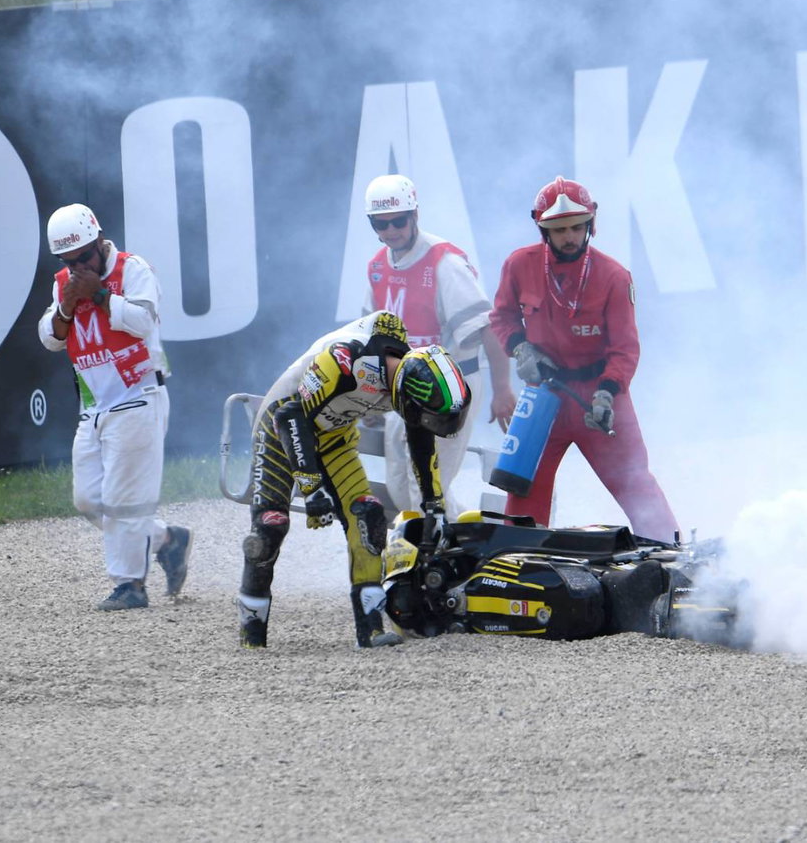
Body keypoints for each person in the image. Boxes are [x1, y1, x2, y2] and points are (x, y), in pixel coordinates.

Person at [236, 310, 470, 649]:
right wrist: (311, 488)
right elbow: (290, 416)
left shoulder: (409, 379)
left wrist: (434, 504)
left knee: (369, 516)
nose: (426, 421)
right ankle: (251, 635)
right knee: (270, 527)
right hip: (281, 428)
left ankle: (370, 631)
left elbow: (420, 443)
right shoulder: (346, 361)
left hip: (334, 435)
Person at [489, 176, 679, 542]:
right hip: (542, 395)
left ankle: (671, 554)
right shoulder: (518, 265)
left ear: (591, 224)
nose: (570, 237)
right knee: (522, 491)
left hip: (600, 396)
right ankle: (516, 563)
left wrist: (607, 393)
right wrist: (520, 348)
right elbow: (502, 317)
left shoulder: (614, 276)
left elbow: (625, 349)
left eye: (577, 227)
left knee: (635, 484)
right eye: (560, 229)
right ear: (543, 230)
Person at [37, 203, 192, 611]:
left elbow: (144, 322)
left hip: (139, 395)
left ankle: (130, 585)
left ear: (99, 242)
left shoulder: (133, 269)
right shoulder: (64, 284)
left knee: (124, 499)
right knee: (88, 500)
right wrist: (67, 305)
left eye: (83, 258)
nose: (78, 268)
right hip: (94, 407)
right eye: (69, 262)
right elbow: (50, 338)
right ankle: (166, 540)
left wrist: (100, 294)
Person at [361, 174, 515, 514]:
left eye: (399, 221)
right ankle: (465, 534)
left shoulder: (444, 263)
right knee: (401, 489)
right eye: (381, 224)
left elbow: (488, 328)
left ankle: (432, 546)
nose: (391, 230)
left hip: (450, 384)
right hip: (402, 388)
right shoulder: (376, 267)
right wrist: (370, 399)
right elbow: (371, 341)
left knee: (424, 486)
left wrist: (503, 389)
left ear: (414, 214)